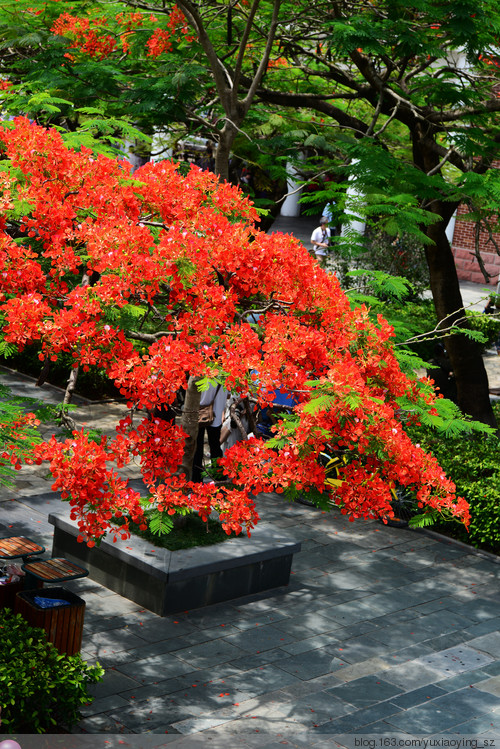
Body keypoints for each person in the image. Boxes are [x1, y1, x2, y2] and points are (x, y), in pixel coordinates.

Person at [192, 383, 228, 482]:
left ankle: (196, 481)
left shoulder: (203, 375)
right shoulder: (225, 377)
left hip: (200, 414)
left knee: (197, 449)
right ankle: (219, 479)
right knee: (216, 448)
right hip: (216, 416)